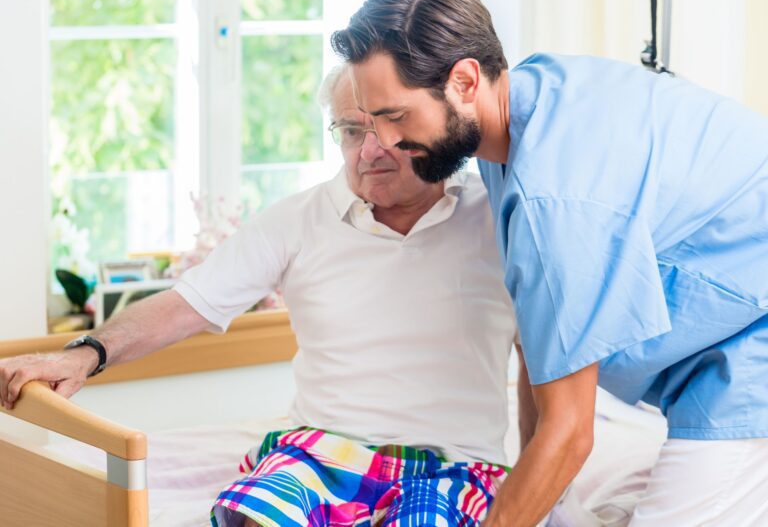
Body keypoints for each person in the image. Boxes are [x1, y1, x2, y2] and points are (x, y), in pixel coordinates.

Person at [0, 66, 518, 527]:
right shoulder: (297, 220)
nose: (370, 149)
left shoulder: (495, 214)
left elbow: (549, 352)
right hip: (322, 452)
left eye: (387, 126)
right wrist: (85, 355)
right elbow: (184, 305)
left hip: (455, 460)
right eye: (351, 130)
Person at [331, 0, 768, 526]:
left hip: (752, 349)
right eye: (373, 121)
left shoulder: (552, 199)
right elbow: (540, 345)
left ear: (465, 80)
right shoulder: (522, 106)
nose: (387, 142)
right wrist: (538, 503)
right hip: (721, 343)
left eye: (397, 116)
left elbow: (570, 434)